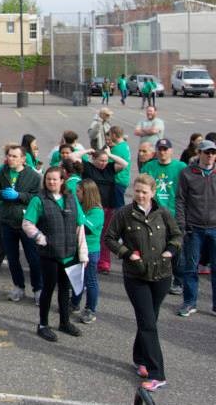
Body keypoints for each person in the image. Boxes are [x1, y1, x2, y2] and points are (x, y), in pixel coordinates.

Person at [103, 174, 181, 393]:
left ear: (153, 193)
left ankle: (141, 359)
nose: (140, 195)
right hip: (136, 276)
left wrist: (169, 252)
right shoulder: (124, 214)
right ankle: (158, 374)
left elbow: (177, 236)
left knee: (150, 320)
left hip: (162, 276)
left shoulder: (163, 213)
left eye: (144, 192)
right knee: (147, 322)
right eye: (137, 191)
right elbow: (109, 238)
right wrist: (127, 254)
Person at [22, 166, 86, 342]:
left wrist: (83, 253)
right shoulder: (38, 200)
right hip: (49, 254)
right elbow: (27, 223)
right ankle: (43, 324)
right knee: (48, 289)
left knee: (65, 289)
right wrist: (40, 238)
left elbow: (80, 224)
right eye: (48, 179)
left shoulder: (71, 198)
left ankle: (64, 322)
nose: (51, 182)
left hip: (70, 253)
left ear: (62, 181)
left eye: (55, 179)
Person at [0, 144, 43, 303]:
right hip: (7, 221)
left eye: (14, 156)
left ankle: (38, 289)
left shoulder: (33, 176)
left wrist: (19, 196)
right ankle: (18, 287)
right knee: (12, 257)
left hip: (26, 222)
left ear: (23, 159)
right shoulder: (3, 172)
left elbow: (37, 197)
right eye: (9, 155)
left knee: (33, 258)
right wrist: (2, 194)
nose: (11, 159)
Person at [175, 138, 216, 318]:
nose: (210, 156)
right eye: (207, 152)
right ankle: (190, 302)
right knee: (190, 268)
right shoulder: (187, 173)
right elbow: (180, 200)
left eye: (213, 153)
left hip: (215, 228)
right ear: (199, 153)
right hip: (194, 228)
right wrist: (183, 225)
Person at [72, 147, 129, 275]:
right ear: (94, 159)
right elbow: (72, 157)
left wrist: (110, 155)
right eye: (101, 160)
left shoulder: (110, 168)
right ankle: (84, 258)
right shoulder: (87, 167)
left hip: (107, 207)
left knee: (105, 236)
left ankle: (103, 263)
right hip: (90, 207)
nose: (104, 163)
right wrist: (87, 151)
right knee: (88, 234)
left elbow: (124, 164)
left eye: (105, 160)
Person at [141, 139, 187, 296]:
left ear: (171, 151)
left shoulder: (181, 167)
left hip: (175, 214)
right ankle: (158, 276)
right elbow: (142, 188)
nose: (162, 152)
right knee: (156, 247)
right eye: (160, 149)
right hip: (155, 216)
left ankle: (179, 280)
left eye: (165, 149)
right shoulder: (149, 166)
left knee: (176, 249)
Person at [69, 179, 103, 324]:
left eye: (78, 191)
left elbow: (85, 227)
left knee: (90, 281)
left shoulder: (97, 211)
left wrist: (75, 205)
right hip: (76, 249)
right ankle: (74, 303)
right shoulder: (82, 206)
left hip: (90, 251)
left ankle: (90, 309)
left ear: (86, 193)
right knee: (77, 279)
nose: (76, 194)